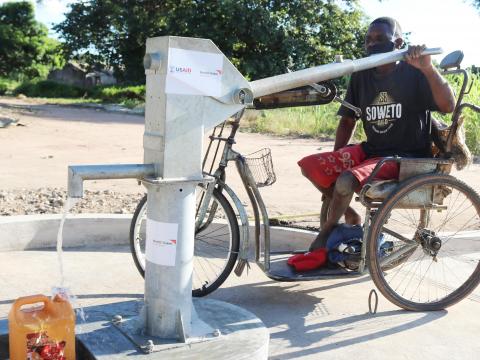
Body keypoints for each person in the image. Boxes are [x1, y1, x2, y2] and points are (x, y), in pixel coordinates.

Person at [298, 17, 455, 252]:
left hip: (404, 157)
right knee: (310, 166)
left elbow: (448, 105)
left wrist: (428, 68)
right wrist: (336, 157)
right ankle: (350, 216)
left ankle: (326, 231)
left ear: (398, 42)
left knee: (345, 181)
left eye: (380, 39)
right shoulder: (362, 75)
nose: (372, 44)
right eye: (368, 40)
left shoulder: (415, 72)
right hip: (372, 150)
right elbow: (348, 120)